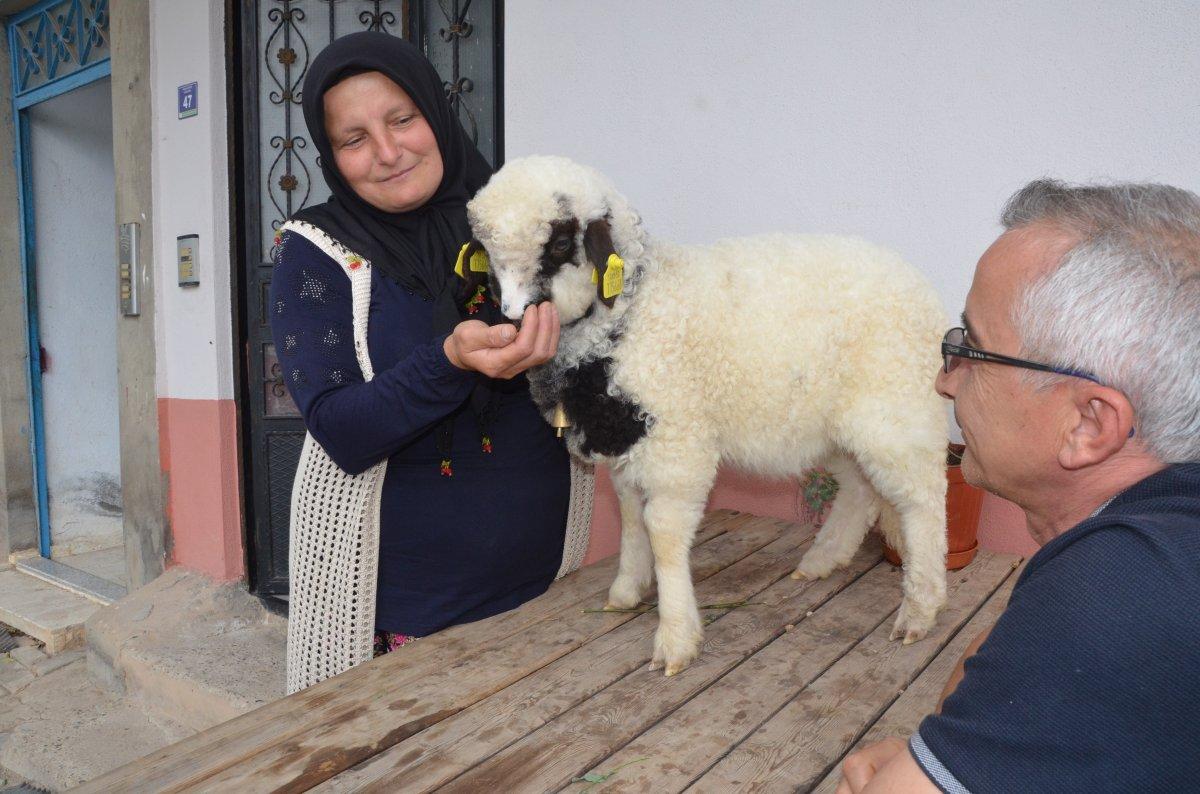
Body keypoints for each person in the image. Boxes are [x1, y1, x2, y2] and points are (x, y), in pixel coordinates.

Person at [837, 180, 1200, 792]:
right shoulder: (1151, 535)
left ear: (1089, 424)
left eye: (972, 350)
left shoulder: (1127, 584)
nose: (945, 382)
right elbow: (992, 673)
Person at [270, 32, 590, 692]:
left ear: (436, 115)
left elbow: (589, 386)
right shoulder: (317, 253)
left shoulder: (517, 221)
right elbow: (341, 429)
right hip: (403, 616)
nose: (387, 153)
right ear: (330, 156)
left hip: (546, 587)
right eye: (353, 139)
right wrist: (449, 361)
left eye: (402, 119)